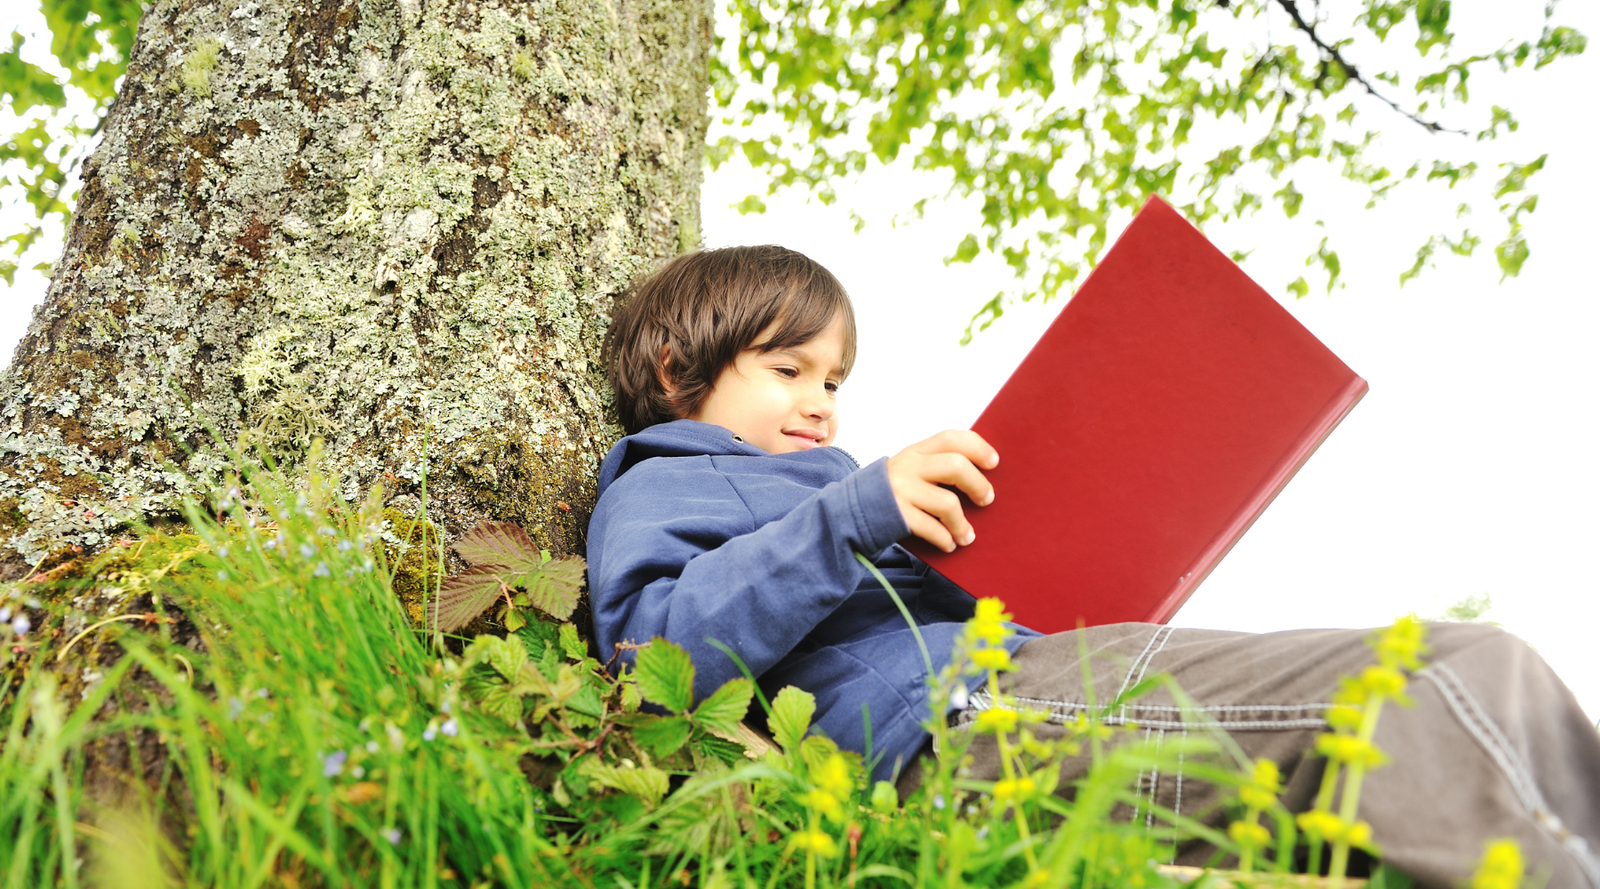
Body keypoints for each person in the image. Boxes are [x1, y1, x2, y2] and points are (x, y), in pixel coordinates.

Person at [585, 245, 1600, 889]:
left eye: (837, 379)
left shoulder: (828, 487)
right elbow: (650, 654)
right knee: (1450, 682)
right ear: (682, 374)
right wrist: (856, 508)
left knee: (1462, 694)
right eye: (788, 369)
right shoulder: (668, 474)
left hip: (1025, 677)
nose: (823, 405)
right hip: (961, 716)